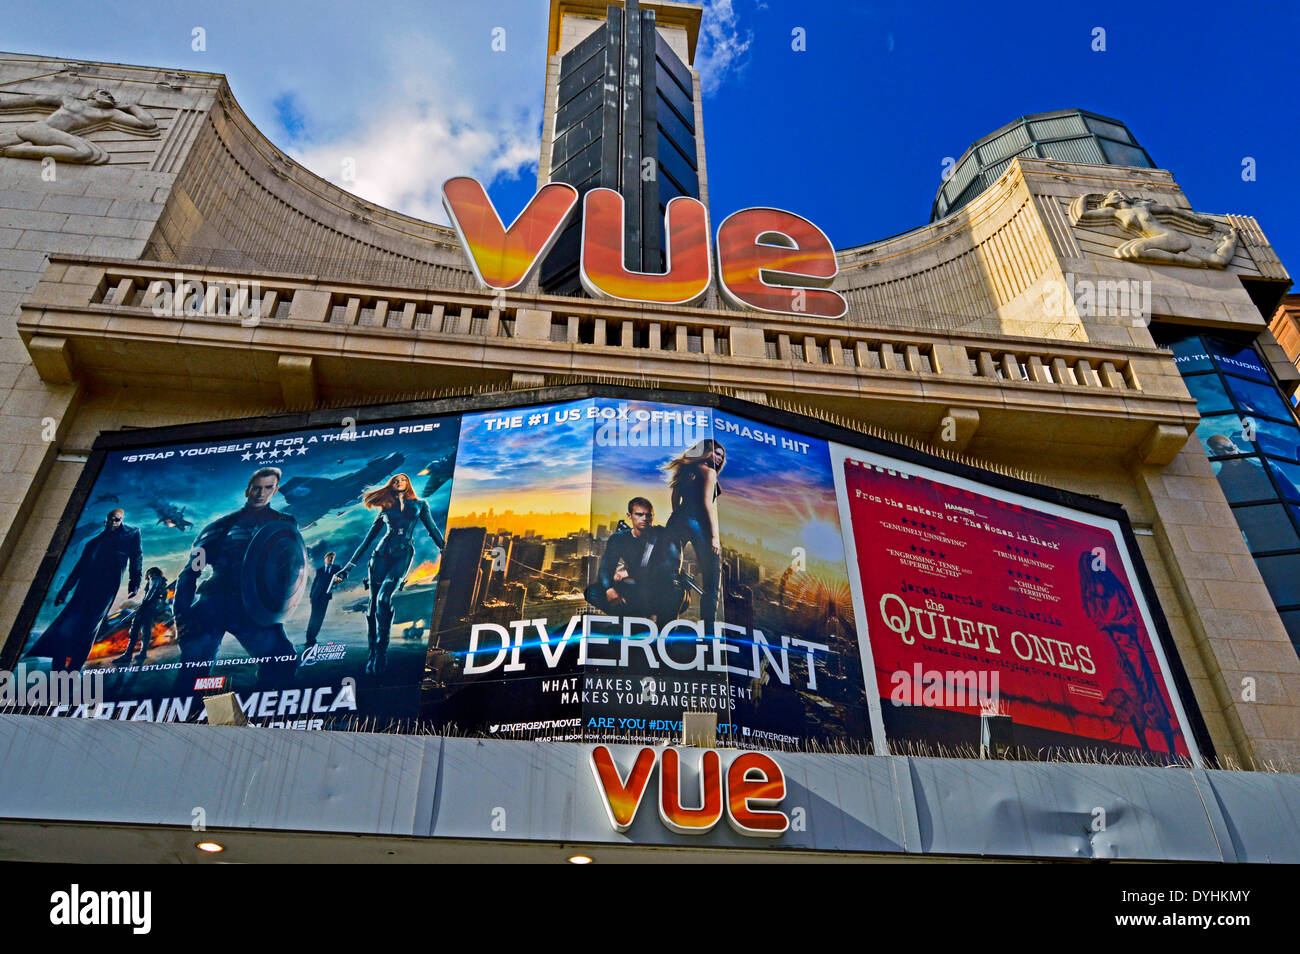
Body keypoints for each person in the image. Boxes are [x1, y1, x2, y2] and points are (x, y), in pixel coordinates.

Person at [171, 467, 304, 693]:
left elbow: (291, 565)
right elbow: (191, 571)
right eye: (256, 488)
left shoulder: (285, 523)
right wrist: (182, 615)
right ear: (247, 491)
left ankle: (265, 717)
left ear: (276, 490)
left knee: (282, 660)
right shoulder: (219, 528)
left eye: (268, 488)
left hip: (253, 605)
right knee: (193, 670)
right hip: (214, 602)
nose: (261, 493)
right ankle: (180, 720)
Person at [335, 474, 445, 674]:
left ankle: (381, 651)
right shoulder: (385, 507)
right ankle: (373, 654)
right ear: (391, 485)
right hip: (380, 555)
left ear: (408, 484)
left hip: (403, 554)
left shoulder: (420, 504)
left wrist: (445, 549)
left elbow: (433, 530)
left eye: (403, 480)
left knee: (384, 599)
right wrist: (348, 566)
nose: (399, 483)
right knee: (372, 605)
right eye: (395, 481)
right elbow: (368, 539)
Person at [1077, 551, 1177, 755]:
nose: (1094, 572)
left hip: (1131, 652)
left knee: (1149, 695)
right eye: (1090, 568)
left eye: (1096, 566)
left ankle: (1173, 752)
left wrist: (1109, 624)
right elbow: (1094, 623)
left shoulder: (1116, 592)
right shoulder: (1090, 596)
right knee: (1130, 701)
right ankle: (1145, 751)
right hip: (1111, 653)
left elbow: (1130, 622)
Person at [26, 508, 141, 671]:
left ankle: (73, 669)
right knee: (67, 625)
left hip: (105, 591)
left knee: (89, 629)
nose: (112, 523)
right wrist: (64, 590)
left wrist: (135, 582)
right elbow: (79, 568)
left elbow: (136, 558)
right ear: (105, 521)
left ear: (121, 520)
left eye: (116, 520)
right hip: (84, 588)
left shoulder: (132, 533)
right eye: (109, 520)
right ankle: (58, 668)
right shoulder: (93, 543)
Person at [584, 498, 685, 622]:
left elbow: (667, 569)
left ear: (652, 517)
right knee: (592, 592)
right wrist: (609, 589)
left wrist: (627, 573)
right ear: (629, 516)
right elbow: (605, 569)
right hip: (639, 588)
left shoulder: (663, 535)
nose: (644, 518)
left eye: (648, 515)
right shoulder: (618, 539)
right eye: (639, 514)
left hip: (660, 589)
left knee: (670, 595)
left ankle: (636, 616)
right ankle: (634, 617)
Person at [663, 439, 726, 632]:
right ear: (706, 452)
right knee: (712, 579)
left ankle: (666, 623)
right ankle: (709, 631)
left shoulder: (685, 470)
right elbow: (708, 505)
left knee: (670, 574)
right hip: (698, 523)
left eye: (721, 456)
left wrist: (678, 516)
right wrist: (714, 537)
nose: (718, 458)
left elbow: (675, 497)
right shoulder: (708, 472)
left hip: (677, 520)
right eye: (715, 453)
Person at [0, 88, 158, 164]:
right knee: (84, 152)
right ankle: (15, 151)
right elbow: (35, 100)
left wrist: (132, 107)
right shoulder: (69, 100)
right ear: (91, 95)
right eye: (104, 93)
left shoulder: (109, 114)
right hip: (38, 130)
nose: (109, 96)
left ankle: (19, 149)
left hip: (50, 137)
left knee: (85, 153)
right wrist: (4, 104)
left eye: (111, 96)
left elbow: (148, 124)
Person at [114, 566, 169, 666]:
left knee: (134, 630)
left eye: (150, 574)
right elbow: (162, 597)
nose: (150, 576)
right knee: (146, 630)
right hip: (151, 608)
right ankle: (142, 653)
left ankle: (128, 655)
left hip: (146, 607)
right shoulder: (162, 582)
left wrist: (144, 604)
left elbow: (152, 590)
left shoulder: (154, 578)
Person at [302, 551, 342, 651]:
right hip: (315, 597)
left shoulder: (337, 568)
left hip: (325, 597)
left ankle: (313, 637)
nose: (331, 559)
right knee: (313, 617)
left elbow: (343, 575)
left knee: (320, 618)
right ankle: (309, 638)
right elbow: (315, 583)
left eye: (332, 558)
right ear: (325, 559)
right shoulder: (319, 570)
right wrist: (311, 596)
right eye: (329, 558)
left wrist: (340, 579)